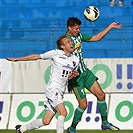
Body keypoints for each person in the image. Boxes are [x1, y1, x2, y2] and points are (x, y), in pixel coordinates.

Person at [7, 35, 79, 133]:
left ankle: (21, 129)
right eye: (68, 42)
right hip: (53, 88)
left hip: (61, 91)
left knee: (46, 121)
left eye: (71, 41)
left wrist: (72, 76)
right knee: (63, 112)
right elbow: (37, 56)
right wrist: (17, 59)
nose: (71, 43)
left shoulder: (75, 59)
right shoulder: (56, 53)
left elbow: (71, 75)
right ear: (62, 46)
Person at [65, 17, 122, 132]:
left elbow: (96, 38)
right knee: (83, 105)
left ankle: (105, 123)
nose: (78, 30)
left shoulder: (79, 36)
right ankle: (72, 129)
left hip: (85, 73)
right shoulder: (65, 41)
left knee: (101, 95)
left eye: (79, 28)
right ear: (69, 28)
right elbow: (61, 60)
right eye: (76, 28)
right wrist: (67, 78)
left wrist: (110, 27)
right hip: (75, 78)